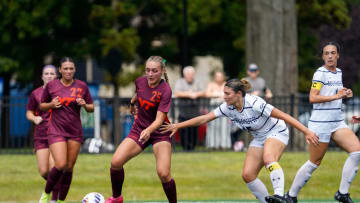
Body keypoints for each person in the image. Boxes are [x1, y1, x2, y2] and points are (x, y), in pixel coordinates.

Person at [161, 78, 319, 203]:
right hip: (259, 137)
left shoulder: (255, 103)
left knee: (269, 158)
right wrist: (178, 125)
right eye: (224, 93)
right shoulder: (227, 107)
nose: (224, 97)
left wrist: (306, 131)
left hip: (276, 131)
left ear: (238, 94)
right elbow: (204, 118)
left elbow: (283, 115)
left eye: (227, 93)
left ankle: (279, 196)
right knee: (248, 175)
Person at [285, 42, 360, 203]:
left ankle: (342, 193)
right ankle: (291, 195)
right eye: (326, 53)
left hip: (337, 122)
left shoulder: (338, 72)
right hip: (321, 124)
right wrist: (337, 96)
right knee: (314, 162)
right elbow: (313, 98)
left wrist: (345, 92)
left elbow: (334, 92)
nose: (330, 56)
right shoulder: (320, 73)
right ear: (322, 56)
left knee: (357, 152)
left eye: (333, 53)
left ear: (338, 55)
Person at [106, 56, 176, 203]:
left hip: (160, 132)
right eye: (148, 70)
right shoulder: (140, 81)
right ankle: (117, 198)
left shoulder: (165, 90)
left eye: (154, 71)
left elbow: (159, 119)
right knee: (116, 162)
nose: (150, 74)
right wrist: (132, 103)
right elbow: (139, 93)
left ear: (162, 71)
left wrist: (149, 130)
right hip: (140, 129)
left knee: (163, 173)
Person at [38, 57, 94, 203]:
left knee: (69, 168)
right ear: (60, 70)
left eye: (71, 68)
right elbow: (42, 105)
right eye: (66, 68)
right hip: (56, 130)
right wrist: (51, 104)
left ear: (74, 70)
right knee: (61, 164)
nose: (68, 71)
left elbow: (91, 108)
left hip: (75, 132)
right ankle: (46, 194)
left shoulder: (82, 86)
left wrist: (84, 104)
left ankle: (61, 200)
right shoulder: (52, 85)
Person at [26, 65, 59, 203]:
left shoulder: (60, 92)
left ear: (56, 76)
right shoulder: (35, 94)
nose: (49, 75)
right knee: (44, 171)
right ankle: (57, 186)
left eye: (52, 73)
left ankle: (53, 198)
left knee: (53, 168)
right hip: (40, 136)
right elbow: (29, 112)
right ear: (42, 76)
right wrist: (34, 118)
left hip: (57, 135)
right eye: (47, 73)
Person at [174, 66, 205, 151]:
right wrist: (189, 94)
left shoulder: (197, 82)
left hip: (195, 113)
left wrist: (196, 94)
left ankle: (192, 148)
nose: (191, 76)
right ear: (185, 75)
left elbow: (203, 92)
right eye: (189, 74)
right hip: (183, 112)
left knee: (194, 131)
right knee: (183, 131)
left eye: (192, 74)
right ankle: (185, 148)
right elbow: (177, 93)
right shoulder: (180, 82)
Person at [205, 70, 231, 149]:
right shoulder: (211, 84)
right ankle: (212, 145)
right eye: (217, 76)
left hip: (225, 109)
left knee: (224, 127)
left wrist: (220, 94)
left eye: (220, 76)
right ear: (215, 77)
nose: (219, 78)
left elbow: (230, 94)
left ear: (223, 77)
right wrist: (216, 94)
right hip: (213, 108)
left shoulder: (227, 84)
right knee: (213, 126)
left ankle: (225, 145)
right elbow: (207, 94)